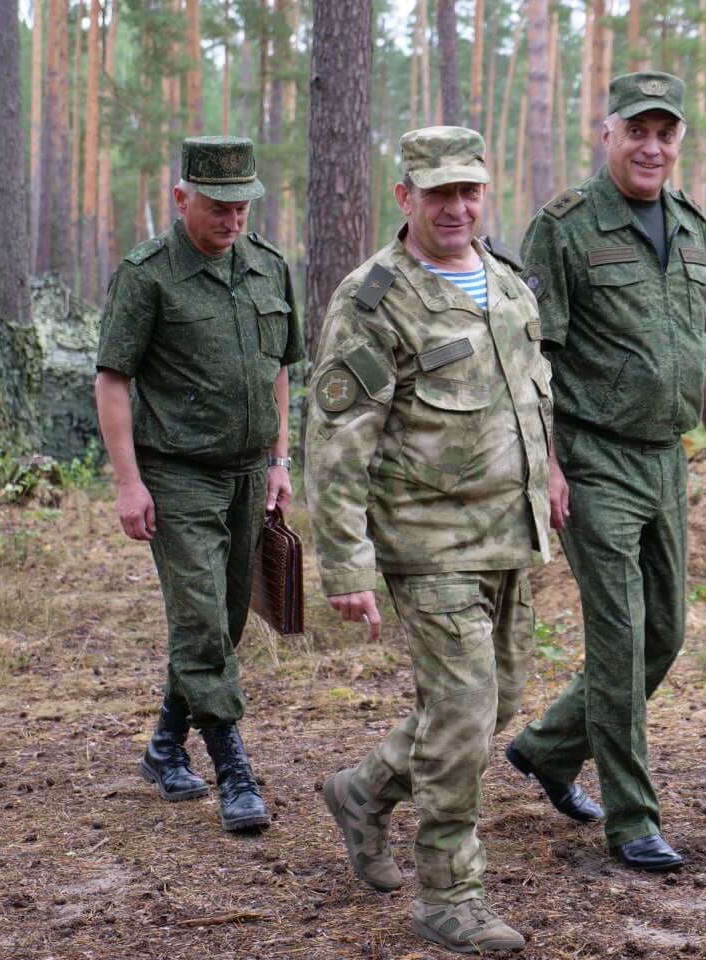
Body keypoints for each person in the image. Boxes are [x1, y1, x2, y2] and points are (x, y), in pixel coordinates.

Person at [304, 126, 551, 954]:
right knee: (463, 715)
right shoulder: (373, 299)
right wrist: (346, 562)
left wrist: (550, 482)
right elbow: (339, 440)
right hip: (428, 540)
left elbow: (529, 400)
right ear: (405, 196)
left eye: (468, 191)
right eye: (439, 192)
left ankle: (364, 791)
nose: (456, 207)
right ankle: (450, 894)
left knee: (493, 705)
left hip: (509, 536)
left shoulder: (506, 282)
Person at [506, 71, 706, 873]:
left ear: (678, 141)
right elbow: (532, 358)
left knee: (663, 634)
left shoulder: (691, 225)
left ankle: (546, 747)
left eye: (665, 133)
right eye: (636, 131)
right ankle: (633, 819)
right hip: (593, 457)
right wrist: (547, 464)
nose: (651, 147)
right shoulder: (565, 227)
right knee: (618, 637)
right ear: (607, 134)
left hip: (666, 458)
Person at [94, 135, 304, 833]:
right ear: (182, 198)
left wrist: (279, 460)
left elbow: (279, 370)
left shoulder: (269, 267)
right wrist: (129, 483)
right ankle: (233, 770)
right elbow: (113, 380)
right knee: (201, 620)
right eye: (218, 206)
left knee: (226, 619)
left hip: (247, 474)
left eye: (243, 206)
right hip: (177, 473)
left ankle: (164, 746)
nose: (233, 219)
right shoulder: (148, 274)